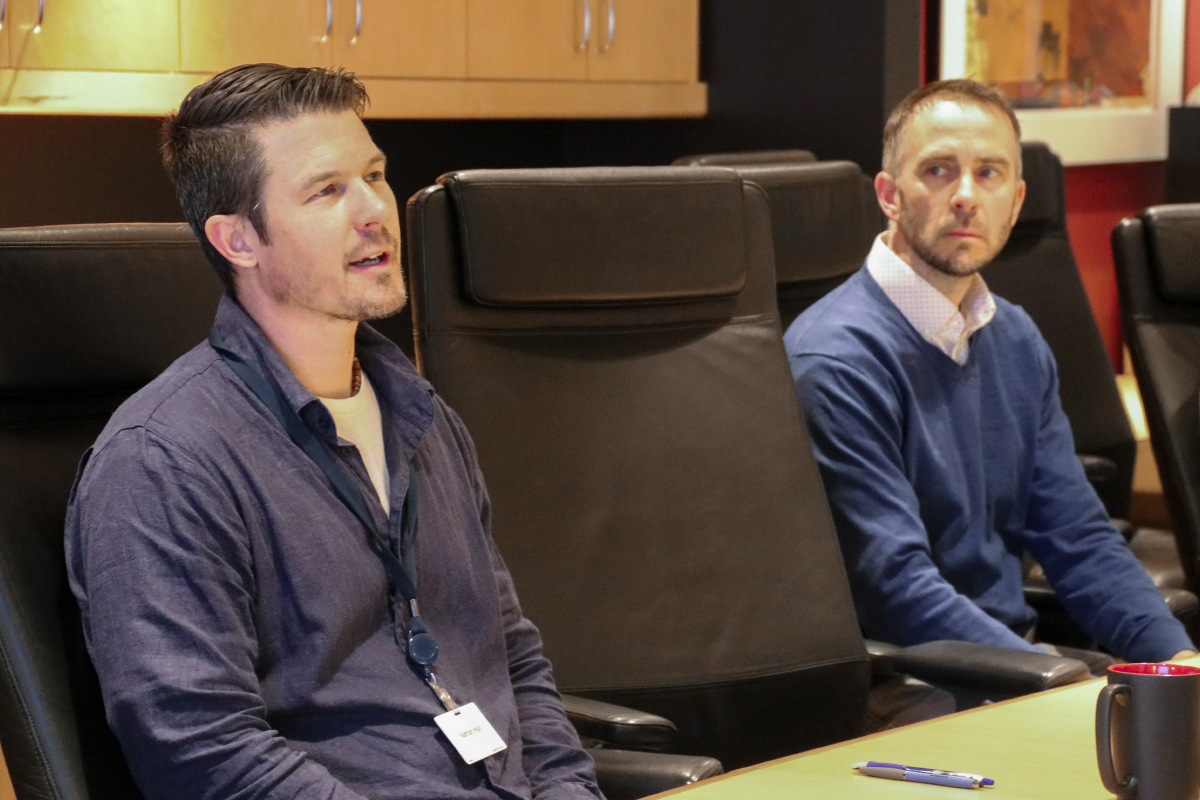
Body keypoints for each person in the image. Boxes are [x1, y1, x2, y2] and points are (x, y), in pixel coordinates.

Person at [65, 63, 603, 800]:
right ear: (238, 240)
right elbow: (200, 751)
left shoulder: (424, 415)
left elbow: (511, 661)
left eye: (374, 175)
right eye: (327, 191)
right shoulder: (162, 460)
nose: (374, 210)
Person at [785, 79, 1195, 664]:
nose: (965, 196)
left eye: (989, 173)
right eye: (937, 171)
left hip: (1013, 666)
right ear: (888, 194)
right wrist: (1053, 683)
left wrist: (1179, 666)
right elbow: (893, 588)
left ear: (1017, 200)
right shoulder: (836, 360)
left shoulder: (1016, 336)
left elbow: (1078, 540)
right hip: (902, 686)